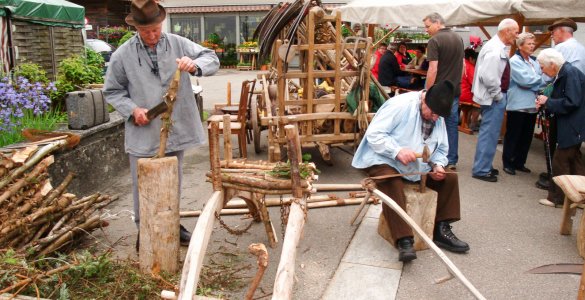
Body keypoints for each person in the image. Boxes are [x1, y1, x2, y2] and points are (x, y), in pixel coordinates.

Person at [103, 0, 220, 248]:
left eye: (156, 29)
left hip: (175, 127)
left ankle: (171, 226)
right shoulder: (123, 54)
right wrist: (132, 109)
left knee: (172, 179)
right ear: (136, 28)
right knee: (141, 182)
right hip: (144, 129)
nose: (152, 35)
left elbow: (210, 57)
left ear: (161, 23)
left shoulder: (178, 43)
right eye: (146, 32)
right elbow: (112, 91)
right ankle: (144, 230)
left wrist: (195, 65)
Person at [352, 80, 470, 262]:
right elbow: (374, 135)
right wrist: (396, 150)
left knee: (448, 177)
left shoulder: (437, 115)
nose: (435, 118)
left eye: (439, 116)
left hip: (417, 166)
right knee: (391, 180)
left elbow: (441, 149)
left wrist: (436, 165)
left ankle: (441, 227)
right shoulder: (400, 105)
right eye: (433, 113)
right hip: (382, 157)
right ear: (425, 100)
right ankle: (404, 239)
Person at [536, 18, 585, 190]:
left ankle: (558, 196)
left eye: (542, 67)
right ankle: (579, 192)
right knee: (574, 158)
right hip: (574, 121)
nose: (542, 71)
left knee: (561, 159)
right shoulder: (577, 53)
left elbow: (571, 100)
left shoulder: (566, 60)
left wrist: (548, 101)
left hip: (572, 122)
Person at [471, 19, 519, 183]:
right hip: (493, 97)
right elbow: (489, 77)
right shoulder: (495, 48)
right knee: (489, 133)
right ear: (507, 31)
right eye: (516, 32)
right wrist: (498, 95)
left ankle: (484, 166)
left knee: (489, 133)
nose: (517, 35)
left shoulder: (495, 46)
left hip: (493, 96)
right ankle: (482, 169)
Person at [423, 13, 464, 170]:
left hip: (439, 92)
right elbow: (462, 66)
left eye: (428, 26)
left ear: (438, 23)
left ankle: (433, 156)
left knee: (432, 122)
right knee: (451, 124)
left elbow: (433, 69)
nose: (426, 30)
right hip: (453, 89)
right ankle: (451, 159)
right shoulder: (458, 38)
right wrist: (456, 84)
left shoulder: (435, 40)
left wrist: (427, 91)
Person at [502, 33, 543, 176]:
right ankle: (508, 162)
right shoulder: (514, 61)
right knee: (514, 134)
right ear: (520, 46)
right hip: (518, 104)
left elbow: (538, 79)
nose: (532, 46)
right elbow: (525, 81)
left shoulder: (534, 61)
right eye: (529, 44)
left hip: (532, 104)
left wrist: (535, 82)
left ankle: (520, 162)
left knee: (526, 136)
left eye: (533, 43)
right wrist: (537, 82)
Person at [460, 48, 479, 131]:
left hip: (457, 92)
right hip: (465, 94)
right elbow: (474, 83)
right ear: (471, 58)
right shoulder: (470, 67)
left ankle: (465, 122)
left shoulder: (460, 63)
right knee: (479, 103)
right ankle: (472, 124)